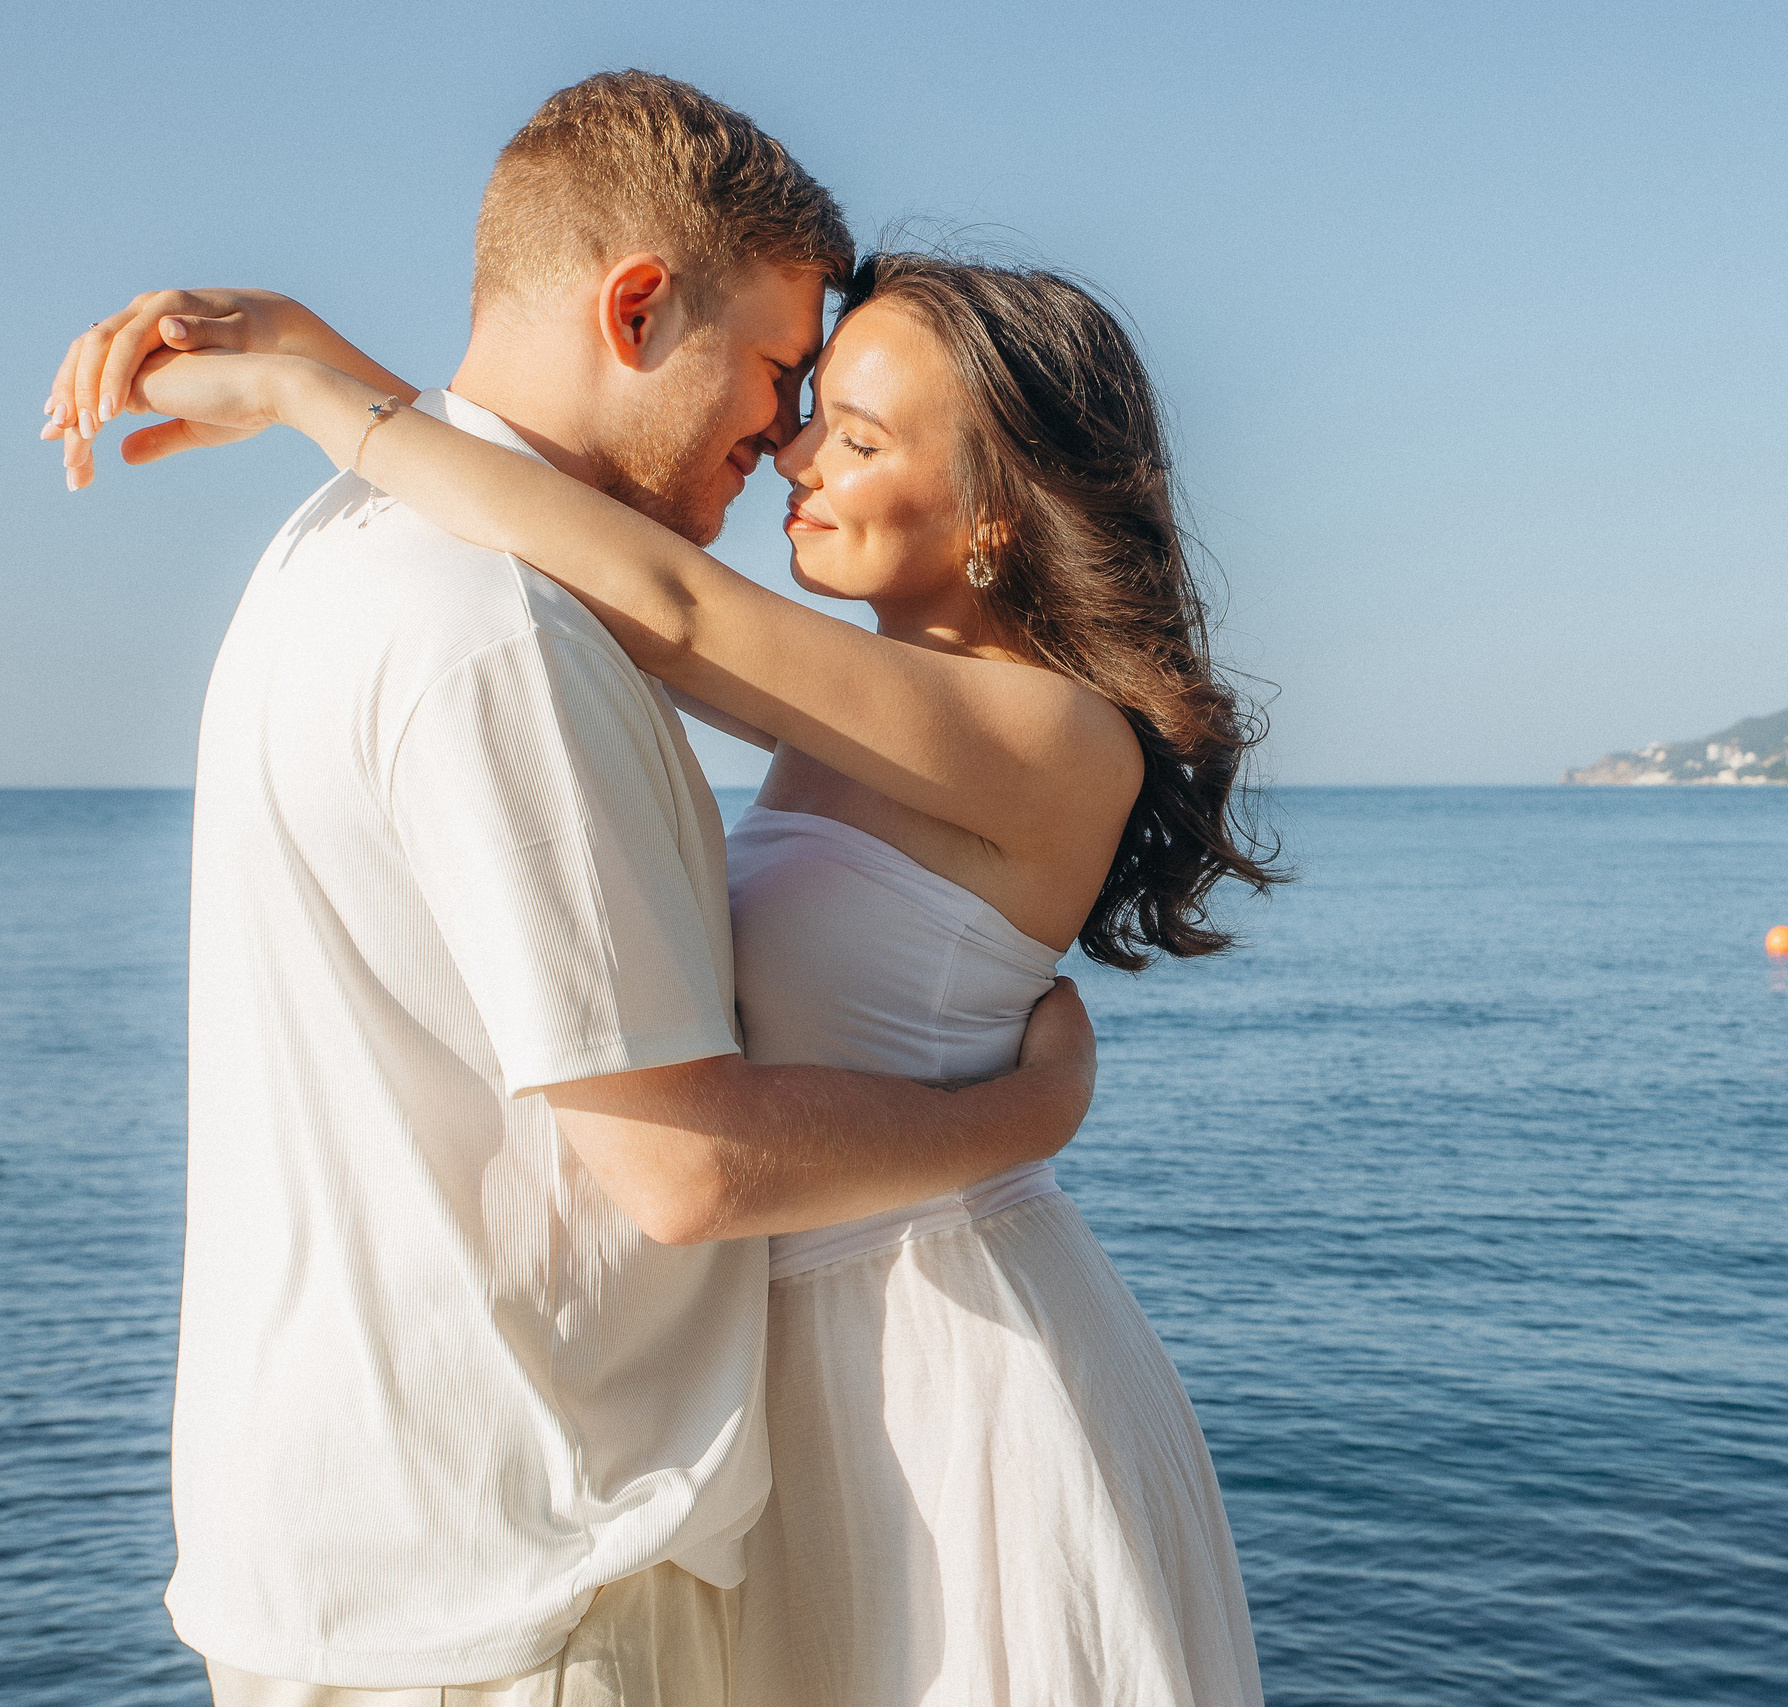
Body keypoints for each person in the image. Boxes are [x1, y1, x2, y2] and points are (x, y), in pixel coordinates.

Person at [55, 103, 1281, 1707]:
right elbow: (587, 548)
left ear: (995, 507)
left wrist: (314, 389)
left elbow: (658, 592)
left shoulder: (1047, 734)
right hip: (765, 1397)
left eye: (851, 431)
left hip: (943, 1352)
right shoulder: (835, 700)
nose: (791, 452)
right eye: (797, 402)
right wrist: (355, 377)